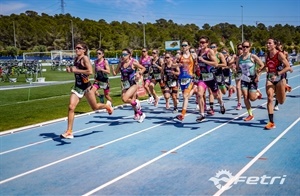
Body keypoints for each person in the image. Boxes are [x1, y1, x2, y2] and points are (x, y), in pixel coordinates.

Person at [61, 43, 114, 139]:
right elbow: (76, 71)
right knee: (71, 107)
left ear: (84, 50)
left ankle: (107, 106)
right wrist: (70, 70)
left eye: (79, 48)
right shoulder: (76, 59)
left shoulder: (85, 58)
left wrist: (76, 70)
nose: (76, 49)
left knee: (95, 107)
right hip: (78, 86)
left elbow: (90, 72)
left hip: (87, 87)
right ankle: (69, 131)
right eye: (76, 48)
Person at [196, 36, 225, 122]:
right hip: (202, 77)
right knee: (199, 94)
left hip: (211, 77)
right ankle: (202, 114)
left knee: (216, 95)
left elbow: (216, 64)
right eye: (200, 42)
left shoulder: (210, 52)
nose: (201, 44)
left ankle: (221, 103)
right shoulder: (198, 52)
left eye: (203, 42)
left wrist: (204, 61)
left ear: (207, 43)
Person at [113, 48, 146, 123]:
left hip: (132, 84)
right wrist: (113, 69)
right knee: (124, 100)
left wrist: (139, 73)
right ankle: (140, 112)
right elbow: (115, 73)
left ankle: (137, 110)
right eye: (122, 54)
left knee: (126, 98)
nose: (123, 56)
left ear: (129, 55)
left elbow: (143, 68)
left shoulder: (133, 63)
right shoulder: (121, 63)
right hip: (125, 84)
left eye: (125, 54)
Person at [264, 38, 291, 129]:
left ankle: (284, 88)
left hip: (279, 78)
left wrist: (277, 74)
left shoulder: (279, 54)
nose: (267, 45)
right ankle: (271, 122)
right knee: (269, 98)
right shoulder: (267, 55)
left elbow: (287, 66)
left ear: (275, 45)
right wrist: (260, 71)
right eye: (267, 43)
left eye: (269, 43)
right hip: (270, 79)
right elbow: (266, 65)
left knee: (281, 101)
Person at [236, 41, 264, 122]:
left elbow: (262, 65)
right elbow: (237, 69)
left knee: (252, 98)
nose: (244, 48)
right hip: (244, 79)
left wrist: (258, 75)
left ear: (249, 48)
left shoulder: (252, 56)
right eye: (243, 47)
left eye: (246, 47)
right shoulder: (239, 58)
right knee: (245, 96)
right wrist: (234, 68)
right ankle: (250, 114)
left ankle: (257, 93)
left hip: (252, 79)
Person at [175, 41, 197, 121]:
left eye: (185, 45)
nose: (184, 47)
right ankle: (194, 90)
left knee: (185, 96)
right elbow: (172, 65)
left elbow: (197, 64)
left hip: (189, 77)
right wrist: (177, 65)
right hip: (181, 78)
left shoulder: (193, 55)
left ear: (189, 46)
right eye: (182, 45)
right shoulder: (179, 56)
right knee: (186, 96)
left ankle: (182, 114)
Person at [206, 42, 227, 115]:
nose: (212, 48)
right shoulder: (208, 55)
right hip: (211, 75)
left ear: (217, 47)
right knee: (210, 92)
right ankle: (211, 108)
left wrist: (216, 65)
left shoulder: (219, 54)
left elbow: (224, 64)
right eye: (211, 47)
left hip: (218, 74)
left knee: (223, 91)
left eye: (214, 47)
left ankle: (221, 103)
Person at [274, 41, 293, 111]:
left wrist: (289, 68)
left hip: (283, 72)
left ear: (281, 45)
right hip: (275, 72)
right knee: (276, 89)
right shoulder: (275, 53)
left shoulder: (285, 53)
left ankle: (276, 104)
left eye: (279, 45)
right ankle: (285, 88)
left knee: (279, 89)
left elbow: (287, 62)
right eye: (277, 45)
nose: (278, 46)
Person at [231, 44, 244, 110]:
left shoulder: (246, 56)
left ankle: (257, 93)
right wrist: (233, 61)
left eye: (241, 48)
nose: (240, 50)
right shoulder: (236, 56)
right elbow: (229, 63)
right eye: (238, 48)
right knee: (238, 87)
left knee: (248, 92)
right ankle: (239, 104)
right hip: (238, 73)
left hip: (246, 74)